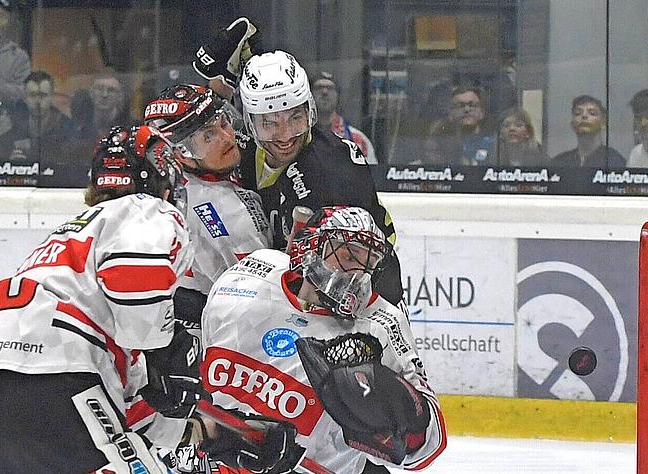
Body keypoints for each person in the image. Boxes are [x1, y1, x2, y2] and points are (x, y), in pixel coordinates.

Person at [0, 125, 204, 473]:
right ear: (163, 182)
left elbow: (126, 404)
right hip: (58, 381)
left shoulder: (62, 246)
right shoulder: (143, 209)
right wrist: (167, 350)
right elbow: (138, 301)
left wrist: (204, 433)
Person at [201, 206, 447, 473]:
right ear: (311, 247)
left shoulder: (379, 326)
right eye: (349, 255)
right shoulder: (246, 279)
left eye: (369, 263)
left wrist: (390, 405)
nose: (358, 273)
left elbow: (427, 447)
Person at [192, 22, 405, 308]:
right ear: (250, 122)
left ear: (310, 110)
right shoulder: (242, 143)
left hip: (362, 301)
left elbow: (355, 271)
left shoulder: (332, 170)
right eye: (269, 123)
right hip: (281, 291)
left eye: (295, 118)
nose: (285, 136)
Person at [143, 84, 272, 328]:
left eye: (223, 123)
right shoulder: (225, 216)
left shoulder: (185, 182)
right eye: (207, 137)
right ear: (181, 154)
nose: (226, 137)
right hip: (225, 335)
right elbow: (262, 301)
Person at [0, 71, 75, 169]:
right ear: (24, 98)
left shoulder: (70, 134)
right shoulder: (7, 140)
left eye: (43, 95)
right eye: (32, 95)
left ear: (52, 97)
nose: (38, 101)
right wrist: (9, 166)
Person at [311, 71, 378, 164]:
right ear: (309, 95)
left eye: (330, 88)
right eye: (319, 88)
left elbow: (371, 175)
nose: (324, 92)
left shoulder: (358, 140)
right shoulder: (298, 139)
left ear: (338, 96)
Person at [430, 84, 496, 166]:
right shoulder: (440, 146)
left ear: (482, 112)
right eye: (460, 106)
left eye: (472, 105)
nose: (467, 109)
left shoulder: (495, 145)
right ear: (450, 114)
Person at [552, 95, 626, 168]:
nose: (584, 115)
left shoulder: (614, 161)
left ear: (603, 123)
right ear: (572, 124)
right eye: (578, 113)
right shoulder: (559, 162)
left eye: (592, 113)